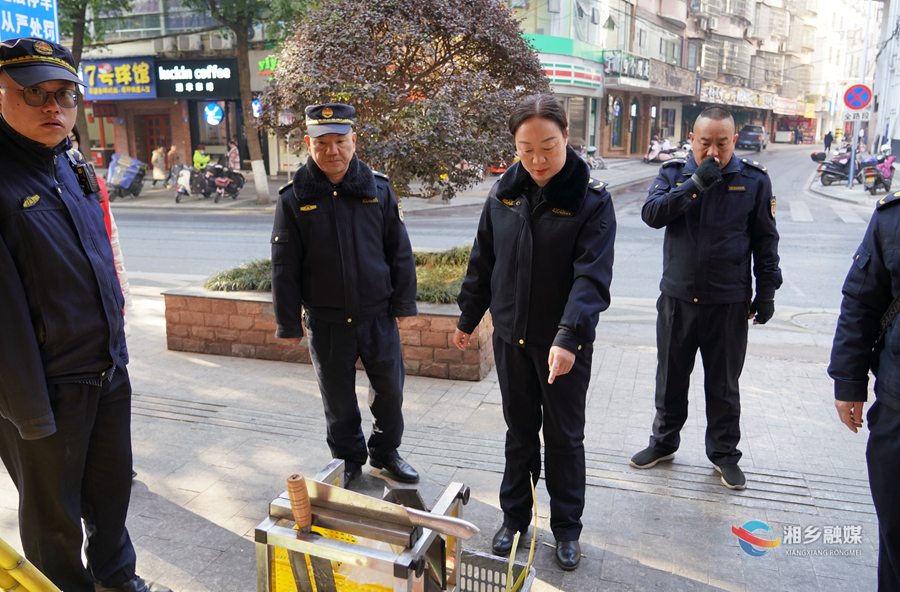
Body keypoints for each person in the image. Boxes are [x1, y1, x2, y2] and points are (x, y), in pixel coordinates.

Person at [0, 37, 171, 592]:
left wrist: (119, 356)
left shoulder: (69, 164)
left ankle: (120, 582)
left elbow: (100, 260)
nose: (54, 107)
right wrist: (29, 413)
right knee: (54, 522)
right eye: (35, 94)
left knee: (112, 494)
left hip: (105, 372)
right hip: (44, 391)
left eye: (65, 94)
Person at [453, 94, 616, 571]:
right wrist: (468, 317)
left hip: (563, 345)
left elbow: (592, 278)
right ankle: (515, 519)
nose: (538, 159)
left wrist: (568, 336)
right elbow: (483, 260)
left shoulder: (591, 201)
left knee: (564, 438)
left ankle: (566, 529)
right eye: (526, 149)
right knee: (520, 434)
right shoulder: (503, 193)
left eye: (549, 145)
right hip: (510, 339)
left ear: (567, 138)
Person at [629, 105, 782, 491]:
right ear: (692, 141)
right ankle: (663, 444)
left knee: (723, 385)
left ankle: (724, 456)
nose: (714, 151)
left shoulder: (753, 180)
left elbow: (766, 242)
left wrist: (766, 293)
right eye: (705, 143)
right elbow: (652, 214)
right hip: (678, 299)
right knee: (670, 380)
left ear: (733, 141)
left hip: (728, 303)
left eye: (722, 143)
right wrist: (694, 183)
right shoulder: (672, 174)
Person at [271, 103, 420, 487]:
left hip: (377, 317)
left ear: (354, 141)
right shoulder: (293, 199)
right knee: (338, 402)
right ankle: (348, 459)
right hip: (327, 320)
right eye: (322, 143)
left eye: (340, 141)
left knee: (389, 394)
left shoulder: (378, 190)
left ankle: (386, 453)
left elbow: (399, 251)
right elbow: (284, 265)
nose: (331, 151)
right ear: (308, 143)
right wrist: (288, 322)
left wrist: (404, 304)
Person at [829, 189, 900, 591]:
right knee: (895, 537)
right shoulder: (893, 217)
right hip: (897, 408)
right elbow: (861, 301)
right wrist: (849, 381)